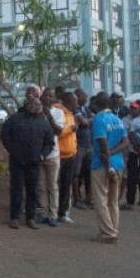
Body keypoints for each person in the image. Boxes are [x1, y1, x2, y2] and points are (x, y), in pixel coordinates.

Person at [0, 95, 54, 230]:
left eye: (37, 104)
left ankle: (30, 218)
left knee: (32, 190)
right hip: (17, 160)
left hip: (34, 162)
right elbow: (4, 134)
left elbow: (49, 142)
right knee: (16, 189)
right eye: (31, 104)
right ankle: (14, 218)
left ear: (39, 107)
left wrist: (42, 155)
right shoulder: (15, 119)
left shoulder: (43, 123)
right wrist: (11, 149)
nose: (33, 106)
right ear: (26, 105)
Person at [89, 92, 128, 244]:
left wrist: (108, 164)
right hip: (118, 164)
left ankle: (108, 233)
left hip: (102, 165)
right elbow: (125, 143)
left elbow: (103, 143)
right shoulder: (117, 119)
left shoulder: (99, 119)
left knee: (100, 200)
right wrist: (112, 155)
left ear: (97, 104)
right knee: (113, 200)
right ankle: (113, 229)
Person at [36, 87, 63, 227]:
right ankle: (44, 213)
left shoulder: (58, 112)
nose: (48, 98)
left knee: (52, 186)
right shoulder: (37, 110)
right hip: (39, 154)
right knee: (41, 185)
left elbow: (58, 131)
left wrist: (49, 116)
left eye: (51, 96)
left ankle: (53, 214)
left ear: (54, 98)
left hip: (53, 154)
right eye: (45, 96)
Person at [55, 93, 78, 224]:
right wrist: (71, 129)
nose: (77, 104)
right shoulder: (58, 112)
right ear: (69, 101)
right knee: (55, 185)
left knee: (66, 185)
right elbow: (58, 132)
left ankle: (63, 213)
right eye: (75, 101)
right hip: (59, 155)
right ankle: (52, 210)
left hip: (71, 154)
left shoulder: (70, 114)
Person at [72, 89, 94, 210]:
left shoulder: (85, 109)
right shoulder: (75, 109)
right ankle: (76, 198)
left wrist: (87, 121)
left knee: (88, 173)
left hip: (88, 145)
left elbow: (91, 120)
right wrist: (87, 121)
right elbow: (83, 122)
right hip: (78, 145)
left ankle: (88, 198)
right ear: (78, 96)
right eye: (84, 96)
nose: (86, 99)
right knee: (76, 173)